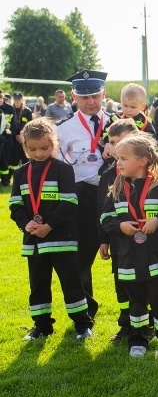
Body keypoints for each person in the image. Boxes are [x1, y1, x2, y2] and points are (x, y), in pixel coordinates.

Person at [9, 117, 94, 341]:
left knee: (71, 282)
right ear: (24, 146)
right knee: (38, 286)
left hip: (61, 239)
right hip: (34, 241)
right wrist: (25, 223)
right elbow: (15, 205)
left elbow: (69, 203)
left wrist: (49, 225)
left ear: (55, 143)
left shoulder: (63, 170)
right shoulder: (20, 173)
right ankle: (42, 326)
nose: (39, 153)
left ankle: (83, 325)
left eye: (45, 148)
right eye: (33, 149)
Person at [100, 134, 158, 358]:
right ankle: (138, 341)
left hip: (157, 255)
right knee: (135, 301)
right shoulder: (115, 189)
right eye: (118, 159)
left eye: (124, 158)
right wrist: (120, 225)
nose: (119, 163)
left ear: (143, 160)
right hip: (128, 256)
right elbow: (105, 218)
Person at [56, 69, 110, 319]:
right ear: (73, 97)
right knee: (79, 259)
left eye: (96, 96)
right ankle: (86, 311)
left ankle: (133, 320)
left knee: (125, 259)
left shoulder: (117, 123)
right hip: (82, 196)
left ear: (104, 93)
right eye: (84, 96)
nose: (91, 101)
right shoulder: (63, 129)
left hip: (115, 197)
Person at [97, 119, 141, 342]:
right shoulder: (107, 173)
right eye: (112, 142)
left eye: (121, 141)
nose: (115, 147)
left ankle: (146, 324)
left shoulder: (147, 173)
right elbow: (102, 210)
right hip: (118, 242)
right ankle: (126, 324)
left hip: (145, 245)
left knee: (144, 284)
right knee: (121, 284)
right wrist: (103, 239)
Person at [9, 92, 33, 172]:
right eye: (15, 99)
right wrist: (16, 135)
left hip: (24, 138)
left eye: (19, 99)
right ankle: (11, 177)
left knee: (25, 159)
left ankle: (25, 176)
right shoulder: (10, 110)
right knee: (13, 159)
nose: (17, 101)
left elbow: (30, 125)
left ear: (22, 100)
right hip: (13, 138)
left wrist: (22, 136)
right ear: (13, 99)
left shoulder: (27, 111)